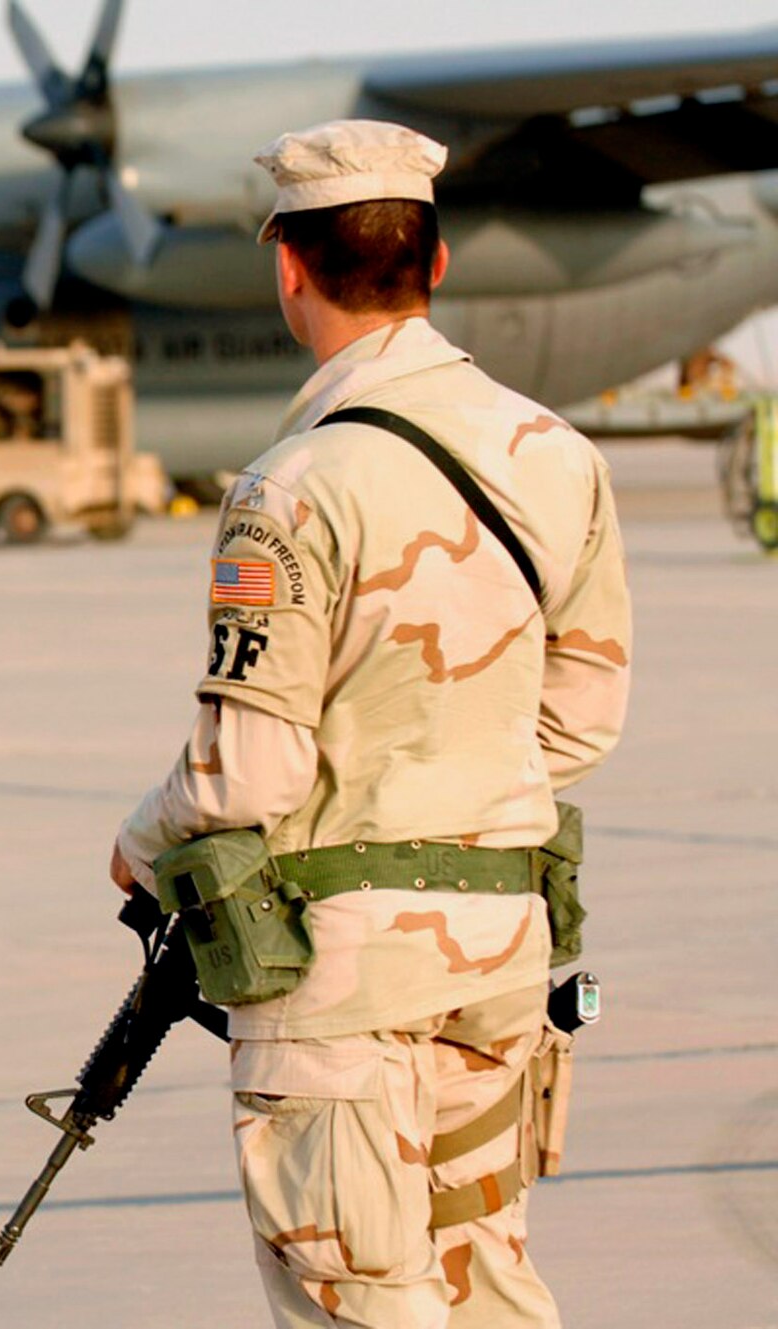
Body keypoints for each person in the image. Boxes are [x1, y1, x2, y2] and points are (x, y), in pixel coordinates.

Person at [111, 120, 631, 1326]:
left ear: (285, 268)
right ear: (434, 266)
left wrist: (137, 842)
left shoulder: (290, 490)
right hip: (499, 951)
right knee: (487, 1284)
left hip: (341, 974)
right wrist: (449, 789)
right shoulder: (555, 456)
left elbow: (246, 769)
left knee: (359, 1299)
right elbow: (579, 719)